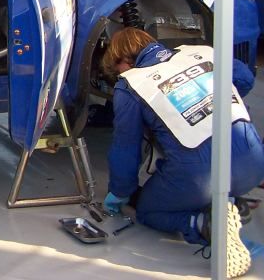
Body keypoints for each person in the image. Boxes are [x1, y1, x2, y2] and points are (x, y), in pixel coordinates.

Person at [101, 27, 264, 279]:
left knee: (148, 211)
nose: (119, 75)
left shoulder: (130, 85)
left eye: (117, 69)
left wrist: (120, 192)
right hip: (254, 162)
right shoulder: (200, 52)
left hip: (200, 178)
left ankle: (205, 225)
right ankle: (230, 202)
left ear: (123, 60)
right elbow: (244, 78)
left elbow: (126, 148)